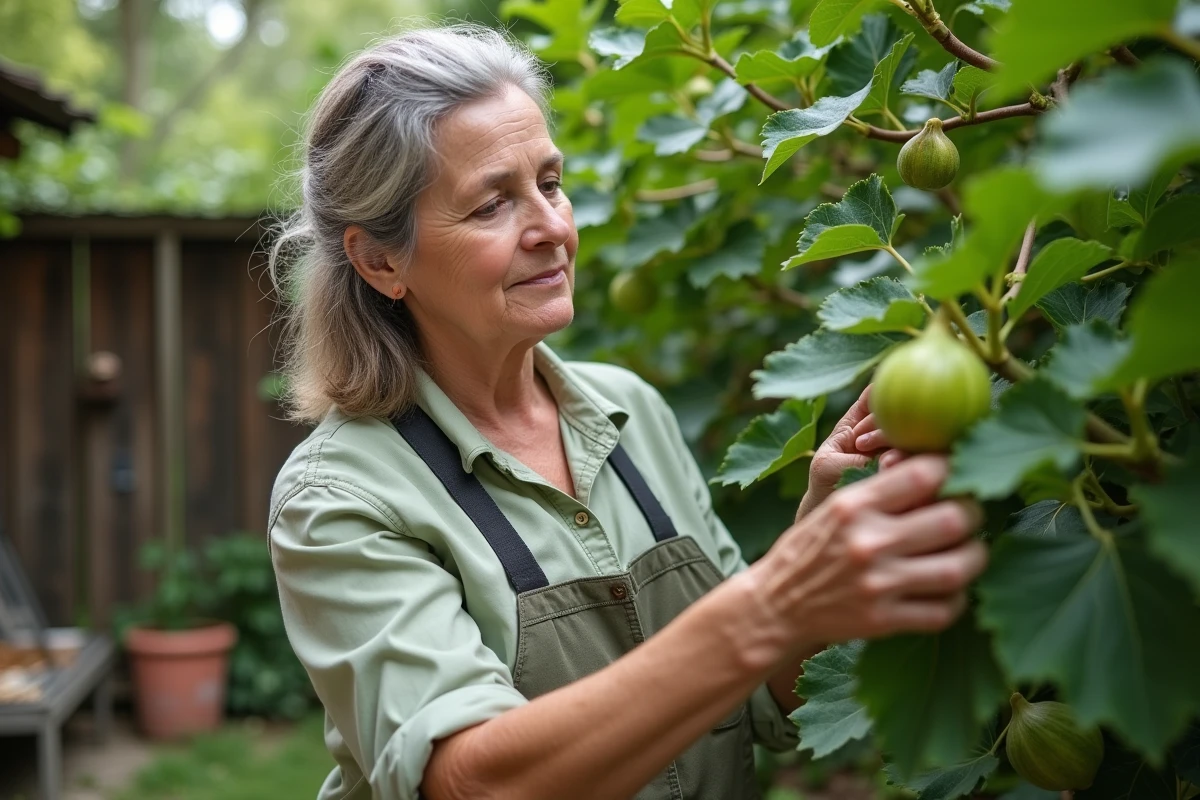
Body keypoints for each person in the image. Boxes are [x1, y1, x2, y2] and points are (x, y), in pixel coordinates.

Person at [266, 24, 987, 800]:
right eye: (491, 205)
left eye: (551, 182)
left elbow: (760, 701)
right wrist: (775, 600)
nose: (553, 229)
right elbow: (472, 783)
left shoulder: (628, 409)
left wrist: (817, 540)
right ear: (382, 261)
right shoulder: (340, 498)